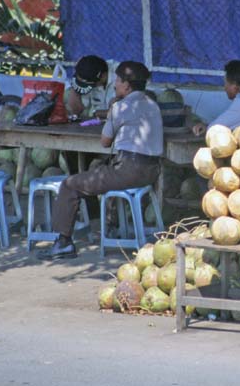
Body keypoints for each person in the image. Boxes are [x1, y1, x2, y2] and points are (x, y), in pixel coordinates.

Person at [39, 61, 164, 260]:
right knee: (99, 170)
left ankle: (63, 242)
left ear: (126, 85)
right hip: (152, 171)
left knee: (70, 185)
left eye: (118, 80)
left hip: (128, 171)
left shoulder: (121, 107)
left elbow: (105, 142)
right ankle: (107, 225)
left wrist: (113, 111)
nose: (115, 84)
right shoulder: (153, 105)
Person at [66, 55, 117, 120]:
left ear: (103, 76)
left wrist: (96, 113)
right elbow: (76, 111)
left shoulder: (121, 75)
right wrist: (75, 86)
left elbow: (121, 113)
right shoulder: (87, 74)